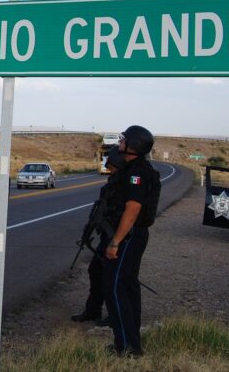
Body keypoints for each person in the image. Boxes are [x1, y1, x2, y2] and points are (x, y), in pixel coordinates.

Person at [101, 125, 161, 357]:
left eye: (124, 139)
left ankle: (127, 347)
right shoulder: (133, 169)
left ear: (133, 146)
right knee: (126, 286)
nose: (121, 142)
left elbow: (133, 208)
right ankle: (128, 342)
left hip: (129, 236)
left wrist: (116, 241)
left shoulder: (138, 173)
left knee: (116, 288)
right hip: (131, 235)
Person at [70, 144, 128, 326]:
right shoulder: (113, 182)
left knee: (111, 277)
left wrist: (115, 239)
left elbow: (125, 212)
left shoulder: (122, 184)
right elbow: (100, 209)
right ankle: (94, 310)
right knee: (96, 270)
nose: (107, 166)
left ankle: (113, 314)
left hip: (117, 237)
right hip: (108, 235)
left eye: (109, 163)